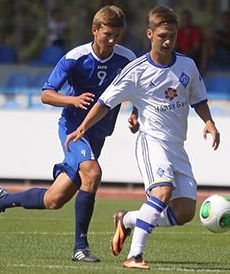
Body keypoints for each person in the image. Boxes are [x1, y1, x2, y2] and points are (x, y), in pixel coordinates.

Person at [65, 6, 220, 269]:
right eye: (162, 36)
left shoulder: (187, 66)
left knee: (184, 213)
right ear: (150, 34)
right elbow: (105, 102)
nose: (168, 41)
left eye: (172, 35)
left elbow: (198, 98)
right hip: (152, 142)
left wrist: (209, 122)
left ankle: (126, 220)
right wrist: (83, 127)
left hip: (176, 147)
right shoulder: (135, 70)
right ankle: (135, 255)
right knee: (161, 192)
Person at [0, 5, 137, 263]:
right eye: (107, 34)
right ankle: (80, 247)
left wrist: (135, 112)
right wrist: (71, 100)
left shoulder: (127, 58)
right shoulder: (75, 58)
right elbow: (46, 93)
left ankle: (3, 200)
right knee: (93, 173)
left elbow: (137, 87)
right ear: (94, 30)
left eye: (117, 35)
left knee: (54, 199)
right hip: (74, 130)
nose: (112, 40)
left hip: (98, 134)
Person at [200, 10, 230, 74]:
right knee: (207, 43)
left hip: (227, 56)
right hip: (216, 54)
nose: (225, 21)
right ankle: (203, 69)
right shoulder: (219, 32)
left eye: (227, 19)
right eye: (223, 19)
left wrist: (219, 38)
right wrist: (210, 38)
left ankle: (203, 70)